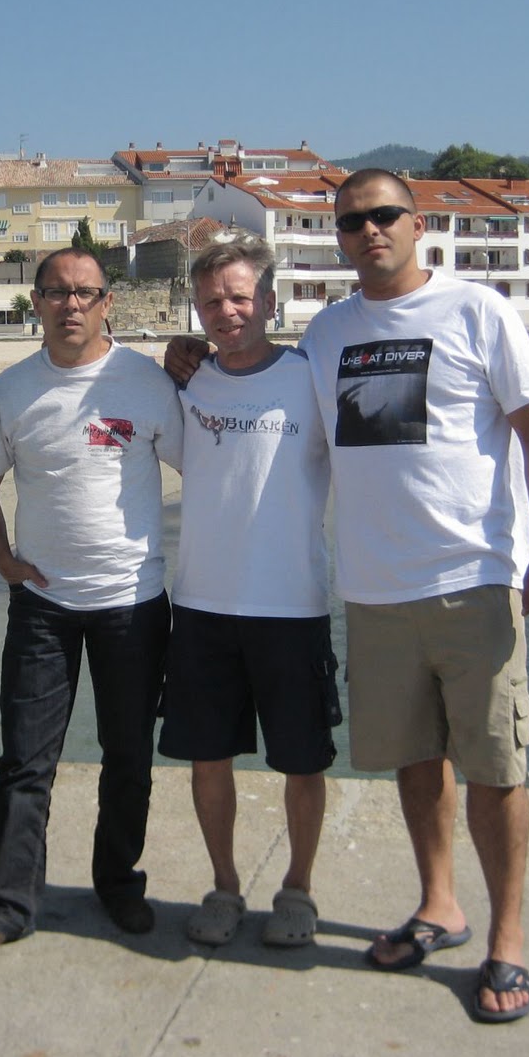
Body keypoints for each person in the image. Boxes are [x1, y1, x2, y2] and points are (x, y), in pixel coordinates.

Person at [304, 169, 529, 1023]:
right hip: (375, 589)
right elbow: (271, 395)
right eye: (352, 222)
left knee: (495, 767)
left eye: (385, 215)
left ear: (418, 224)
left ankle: (508, 941)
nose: (369, 231)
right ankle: (439, 905)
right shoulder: (326, 332)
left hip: (474, 578)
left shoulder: (477, 309)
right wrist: (192, 356)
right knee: (416, 759)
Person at [0, 247, 183, 964]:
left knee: (128, 757)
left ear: (107, 302)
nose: (70, 305)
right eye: (55, 292)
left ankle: (118, 883)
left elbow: (204, 468)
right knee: (24, 762)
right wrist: (5, 563)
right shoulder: (15, 389)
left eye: (85, 293)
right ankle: (8, 905)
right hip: (42, 607)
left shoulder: (146, 383)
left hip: (133, 604)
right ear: (37, 303)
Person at [159, 235, 341, 951]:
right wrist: (175, 357)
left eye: (239, 297)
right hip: (202, 605)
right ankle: (225, 885)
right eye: (211, 301)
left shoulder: (311, 379)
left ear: (268, 301)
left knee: (303, 761)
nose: (226, 311)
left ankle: (298, 888)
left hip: (291, 605)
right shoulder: (186, 381)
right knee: (209, 758)